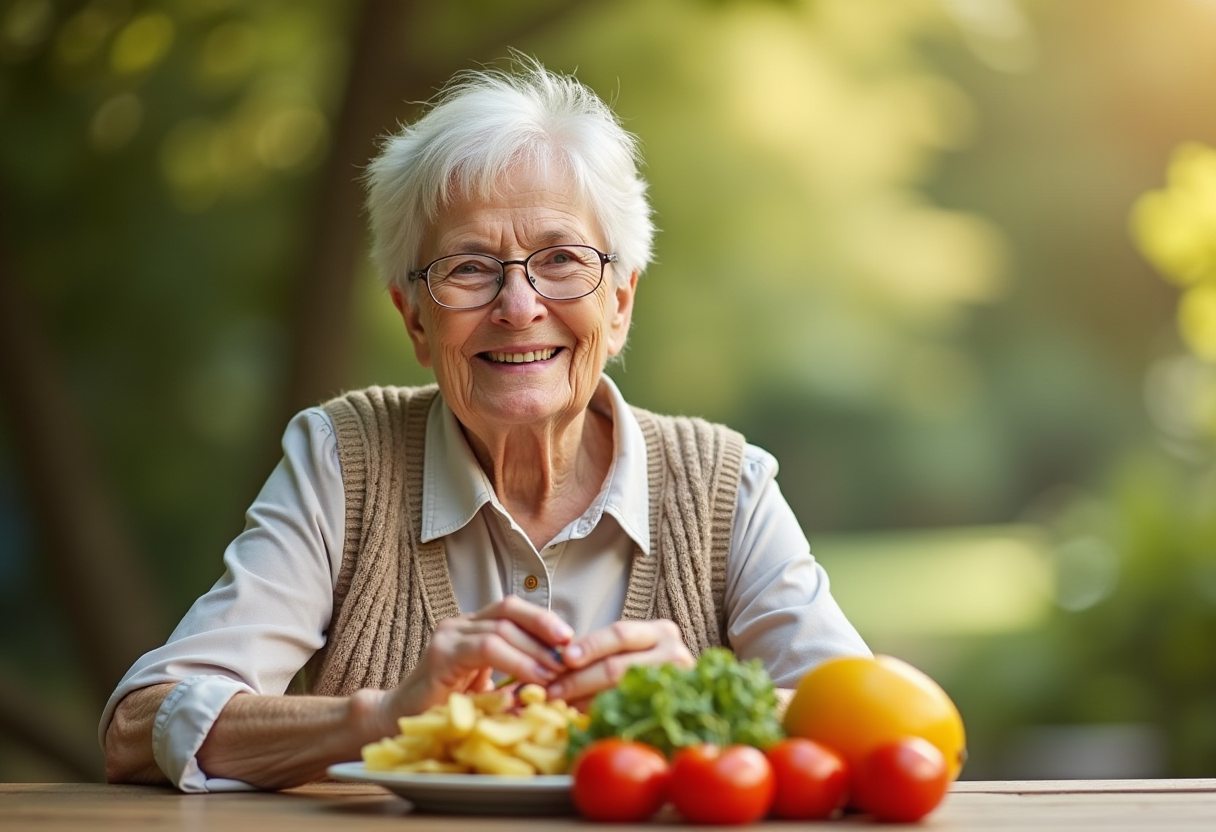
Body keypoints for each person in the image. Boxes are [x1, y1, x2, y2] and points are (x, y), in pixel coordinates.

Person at [100, 56, 870, 793]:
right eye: (468, 268)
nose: (519, 306)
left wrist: (709, 702)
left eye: (562, 259)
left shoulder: (725, 485)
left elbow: (870, 729)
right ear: (415, 321)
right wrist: (384, 718)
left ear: (622, 302)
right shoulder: (344, 459)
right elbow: (139, 726)